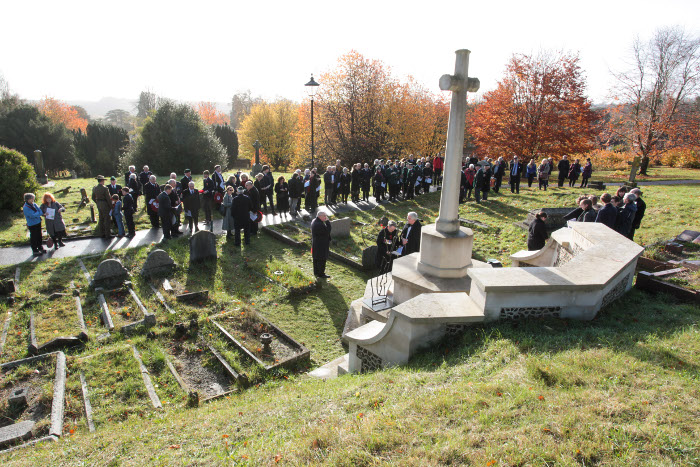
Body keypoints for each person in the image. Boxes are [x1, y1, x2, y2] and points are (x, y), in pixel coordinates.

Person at [311, 211, 332, 278]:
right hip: (321, 244)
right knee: (321, 259)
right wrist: (328, 222)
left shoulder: (315, 221)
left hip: (316, 243)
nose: (326, 217)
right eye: (324, 216)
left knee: (316, 258)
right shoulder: (319, 224)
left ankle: (316, 272)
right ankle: (321, 274)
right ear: (320, 216)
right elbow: (327, 231)